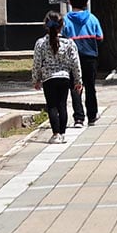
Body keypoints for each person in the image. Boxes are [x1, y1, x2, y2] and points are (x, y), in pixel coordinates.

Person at [32, 10, 83, 143]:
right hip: (64, 77)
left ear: (46, 25)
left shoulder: (40, 43)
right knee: (62, 105)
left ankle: (55, 134)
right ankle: (63, 133)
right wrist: (78, 80)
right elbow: (75, 63)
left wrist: (36, 79)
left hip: (48, 78)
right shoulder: (69, 43)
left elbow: (37, 63)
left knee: (52, 106)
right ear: (62, 25)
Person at [63, 0, 103, 127]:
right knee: (90, 86)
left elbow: (61, 38)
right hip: (90, 57)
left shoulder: (65, 20)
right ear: (86, 2)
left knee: (75, 87)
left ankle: (78, 118)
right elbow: (100, 37)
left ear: (69, 2)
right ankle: (92, 115)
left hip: (71, 59)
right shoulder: (92, 19)